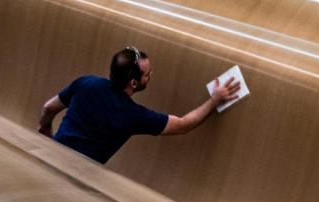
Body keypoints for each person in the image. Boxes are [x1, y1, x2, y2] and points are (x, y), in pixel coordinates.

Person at [38, 46, 241, 164]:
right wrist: (215, 100)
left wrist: (45, 129)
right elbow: (183, 125)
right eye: (148, 74)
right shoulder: (132, 115)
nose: (151, 75)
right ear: (134, 83)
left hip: (51, 156)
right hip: (81, 173)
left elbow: (48, 108)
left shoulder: (86, 82)